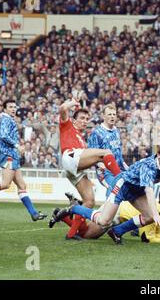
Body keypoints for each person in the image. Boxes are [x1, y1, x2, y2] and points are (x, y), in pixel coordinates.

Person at [50, 144, 160, 244]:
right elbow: (149, 191)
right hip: (122, 185)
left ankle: (117, 231)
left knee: (150, 216)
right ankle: (74, 208)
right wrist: (157, 215)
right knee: (103, 221)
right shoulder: (149, 166)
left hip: (136, 191)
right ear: (158, 155)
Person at [58, 97, 121, 240]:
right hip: (70, 156)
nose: (85, 121)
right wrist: (73, 103)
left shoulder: (82, 139)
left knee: (89, 201)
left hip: (74, 168)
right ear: (73, 120)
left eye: (87, 119)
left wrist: (101, 165)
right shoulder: (67, 125)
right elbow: (62, 109)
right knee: (106, 152)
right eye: (81, 118)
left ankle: (71, 234)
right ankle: (121, 180)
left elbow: (91, 159)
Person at [0, 100, 47, 221]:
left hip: (12, 155)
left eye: (15, 107)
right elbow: (3, 135)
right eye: (10, 107)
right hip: (9, 154)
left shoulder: (5, 118)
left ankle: (34, 213)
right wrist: (16, 145)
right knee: (5, 184)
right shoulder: (6, 119)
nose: (13, 109)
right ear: (5, 109)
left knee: (22, 185)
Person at [55, 186, 160, 244]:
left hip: (118, 212)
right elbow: (146, 237)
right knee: (86, 234)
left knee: (86, 231)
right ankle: (75, 208)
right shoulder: (155, 210)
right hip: (115, 212)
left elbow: (154, 233)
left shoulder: (158, 210)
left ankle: (63, 214)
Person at [87, 104, 129, 189]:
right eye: (109, 114)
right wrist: (102, 167)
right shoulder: (97, 133)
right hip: (106, 172)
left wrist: (125, 165)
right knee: (116, 192)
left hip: (119, 169)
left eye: (114, 114)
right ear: (103, 116)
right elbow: (92, 155)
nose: (112, 117)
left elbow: (118, 153)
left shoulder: (116, 131)